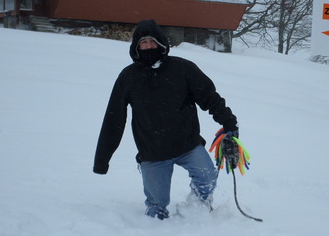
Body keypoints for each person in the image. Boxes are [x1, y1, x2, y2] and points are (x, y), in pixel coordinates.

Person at [93, 19, 239, 220]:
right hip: (153, 152)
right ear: (136, 47)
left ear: (161, 43)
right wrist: (102, 160)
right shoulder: (129, 77)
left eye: (152, 41)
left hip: (187, 144)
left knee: (207, 177)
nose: (149, 46)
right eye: (143, 43)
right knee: (156, 208)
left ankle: (197, 210)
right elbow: (114, 118)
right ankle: (157, 231)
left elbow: (209, 97)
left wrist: (229, 122)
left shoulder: (182, 68)